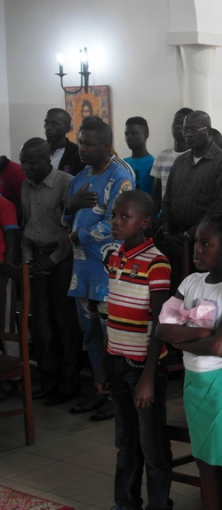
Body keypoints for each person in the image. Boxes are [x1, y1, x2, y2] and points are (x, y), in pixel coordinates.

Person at [154, 212, 222, 510]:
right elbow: (162, 329)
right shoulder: (190, 282)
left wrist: (183, 338)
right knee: (204, 461)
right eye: (197, 241)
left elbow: (220, 346)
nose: (197, 249)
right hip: (194, 382)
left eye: (206, 243)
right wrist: (204, 334)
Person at [97, 190, 173, 510]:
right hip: (117, 362)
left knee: (152, 445)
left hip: (144, 367)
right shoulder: (115, 257)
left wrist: (148, 377)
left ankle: (159, 505)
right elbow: (113, 318)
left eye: (124, 217)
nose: (115, 221)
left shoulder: (156, 263)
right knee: (125, 443)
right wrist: (105, 362)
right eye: (114, 215)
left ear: (144, 222)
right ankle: (126, 504)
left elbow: (160, 323)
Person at [63, 119, 134, 420]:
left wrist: (78, 236)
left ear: (106, 145)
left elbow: (116, 223)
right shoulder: (79, 178)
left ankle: (118, 396)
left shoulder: (120, 176)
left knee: (111, 336)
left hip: (108, 268)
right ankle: (99, 391)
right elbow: (66, 220)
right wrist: (70, 207)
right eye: (80, 142)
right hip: (82, 269)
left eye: (88, 144)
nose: (81, 148)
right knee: (90, 333)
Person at [19, 138, 82, 405]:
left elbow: (73, 230)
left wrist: (52, 261)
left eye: (31, 163)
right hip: (35, 258)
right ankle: (49, 383)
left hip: (62, 260)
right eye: (23, 162)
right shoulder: (25, 186)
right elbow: (26, 225)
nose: (25, 167)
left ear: (47, 161)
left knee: (65, 325)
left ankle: (68, 385)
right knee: (41, 327)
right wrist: (27, 260)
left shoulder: (67, 183)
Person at [160, 110, 222, 290]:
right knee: (173, 288)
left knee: (197, 291)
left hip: (202, 241)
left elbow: (218, 207)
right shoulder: (180, 161)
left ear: (208, 131)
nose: (187, 134)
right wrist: (167, 231)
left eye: (193, 129)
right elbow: (167, 198)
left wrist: (190, 234)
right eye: (185, 129)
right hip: (174, 238)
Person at [151, 108, 192, 213]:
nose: (177, 126)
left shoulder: (195, 156)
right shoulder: (162, 156)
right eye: (175, 122)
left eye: (182, 123)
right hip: (165, 215)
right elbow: (157, 194)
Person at [0, 190, 19, 400]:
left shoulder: (4, 204)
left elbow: (12, 240)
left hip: (2, 271)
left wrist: (8, 274)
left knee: (6, 323)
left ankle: (14, 378)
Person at [44, 108, 85, 176]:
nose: (48, 127)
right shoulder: (40, 149)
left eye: (55, 124)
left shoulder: (76, 153)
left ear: (67, 129)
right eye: (46, 122)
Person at [124, 116, 155, 196]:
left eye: (134, 134)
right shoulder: (123, 163)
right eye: (126, 134)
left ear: (146, 135)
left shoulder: (153, 164)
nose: (129, 137)